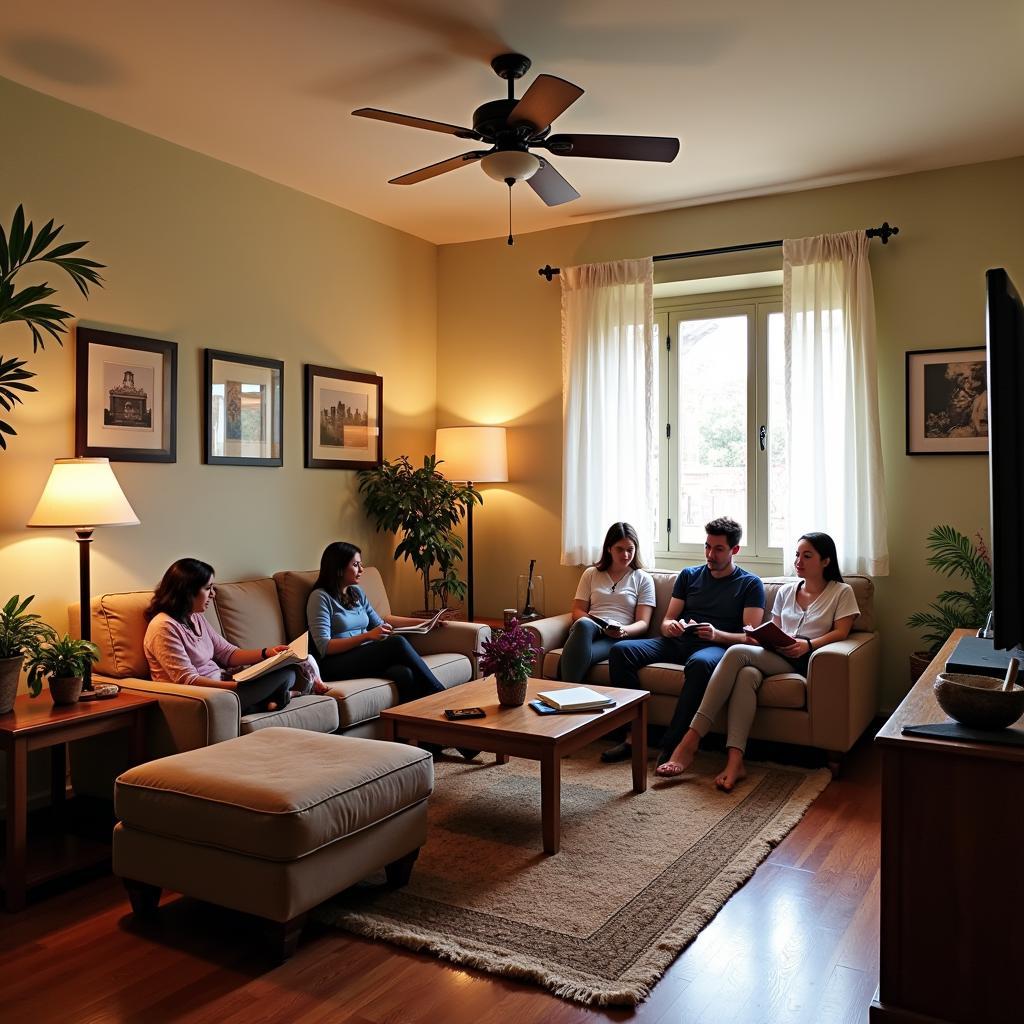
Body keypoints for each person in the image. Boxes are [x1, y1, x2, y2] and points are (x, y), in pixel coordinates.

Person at [656, 532, 859, 790]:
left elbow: (842, 632)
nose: (799, 561)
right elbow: (773, 628)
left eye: (807, 556)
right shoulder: (786, 591)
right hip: (777, 654)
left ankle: (690, 740)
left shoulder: (841, 592)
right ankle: (735, 762)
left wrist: (806, 645)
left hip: (806, 658)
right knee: (746, 676)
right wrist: (763, 637)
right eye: (797, 555)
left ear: (826, 561)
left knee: (735, 652)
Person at [603, 517, 766, 764]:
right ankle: (634, 735)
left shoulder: (750, 584)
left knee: (699, 665)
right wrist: (673, 627)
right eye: (707, 546)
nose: (710, 554)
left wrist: (717, 634)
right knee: (620, 651)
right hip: (677, 642)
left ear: (735, 550)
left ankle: (673, 746)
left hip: (715, 647)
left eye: (718, 549)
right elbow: (666, 621)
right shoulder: (689, 575)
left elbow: (752, 638)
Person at [306, 541, 476, 759]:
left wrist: (425, 623)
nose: (361, 569)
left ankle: (428, 742)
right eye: (356, 565)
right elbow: (324, 646)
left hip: (363, 656)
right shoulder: (319, 597)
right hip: (335, 663)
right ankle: (445, 701)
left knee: (403, 674)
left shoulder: (356, 593)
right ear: (339, 568)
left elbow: (382, 624)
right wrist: (367, 636)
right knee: (397, 644)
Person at [144, 558, 319, 714]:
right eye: (207, 588)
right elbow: (188, 680)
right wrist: (238, 687)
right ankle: (270, 700)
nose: (213, 594)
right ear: (186, 591)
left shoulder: (195, 616)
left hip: (224, 683)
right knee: (283, 677)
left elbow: (227, 653)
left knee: (289, 672)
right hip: (205, 694)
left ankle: (271, 699)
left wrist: (268, 653)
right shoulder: (163, 627)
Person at [558, 523, 656, 682]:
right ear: (609, 548)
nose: (625, 555)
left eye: (630, 550)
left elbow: (643, 623)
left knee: (577, 657)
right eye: (620, 549)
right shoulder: (591, 573)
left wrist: (623, 630)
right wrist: (601, 626)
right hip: (591, 628)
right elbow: (577, 611)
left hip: (618, 635)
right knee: (583, 624)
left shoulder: (643, 579)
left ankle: (564, 693)